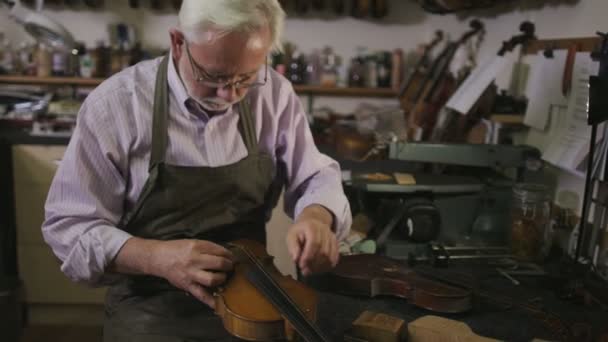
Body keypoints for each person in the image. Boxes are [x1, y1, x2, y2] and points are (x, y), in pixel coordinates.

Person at [41, 1, 352, 340]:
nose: (229, 95)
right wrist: (156, 258)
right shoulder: (116, 105)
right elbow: (69, 230)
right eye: (214, 76)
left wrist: (317, 217)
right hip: (151, 309)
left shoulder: (273, 94)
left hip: (254, 299)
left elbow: (314, 174)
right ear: (178, 42)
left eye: (245, 77)